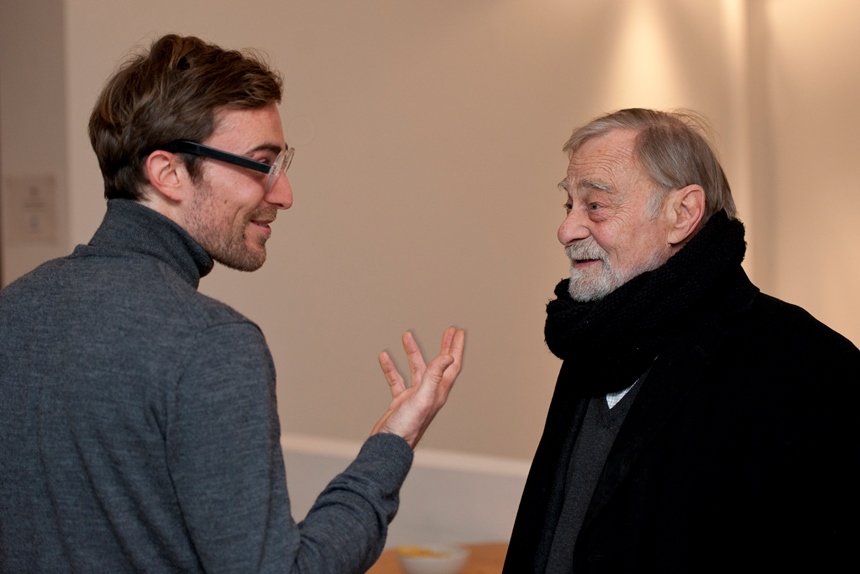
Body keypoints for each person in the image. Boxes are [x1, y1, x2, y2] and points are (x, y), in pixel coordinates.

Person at [0, 34, 465, 573]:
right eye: (261, 164)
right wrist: (393, 440)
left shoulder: (15, 309)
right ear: (168, 173)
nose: (284, 193)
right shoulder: (211, 343)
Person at [503, 108, 859, 573]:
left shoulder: (808, 366)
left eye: (595, 205)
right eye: (569, 205)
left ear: (682, 214)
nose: (566, 230)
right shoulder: (597, 338)